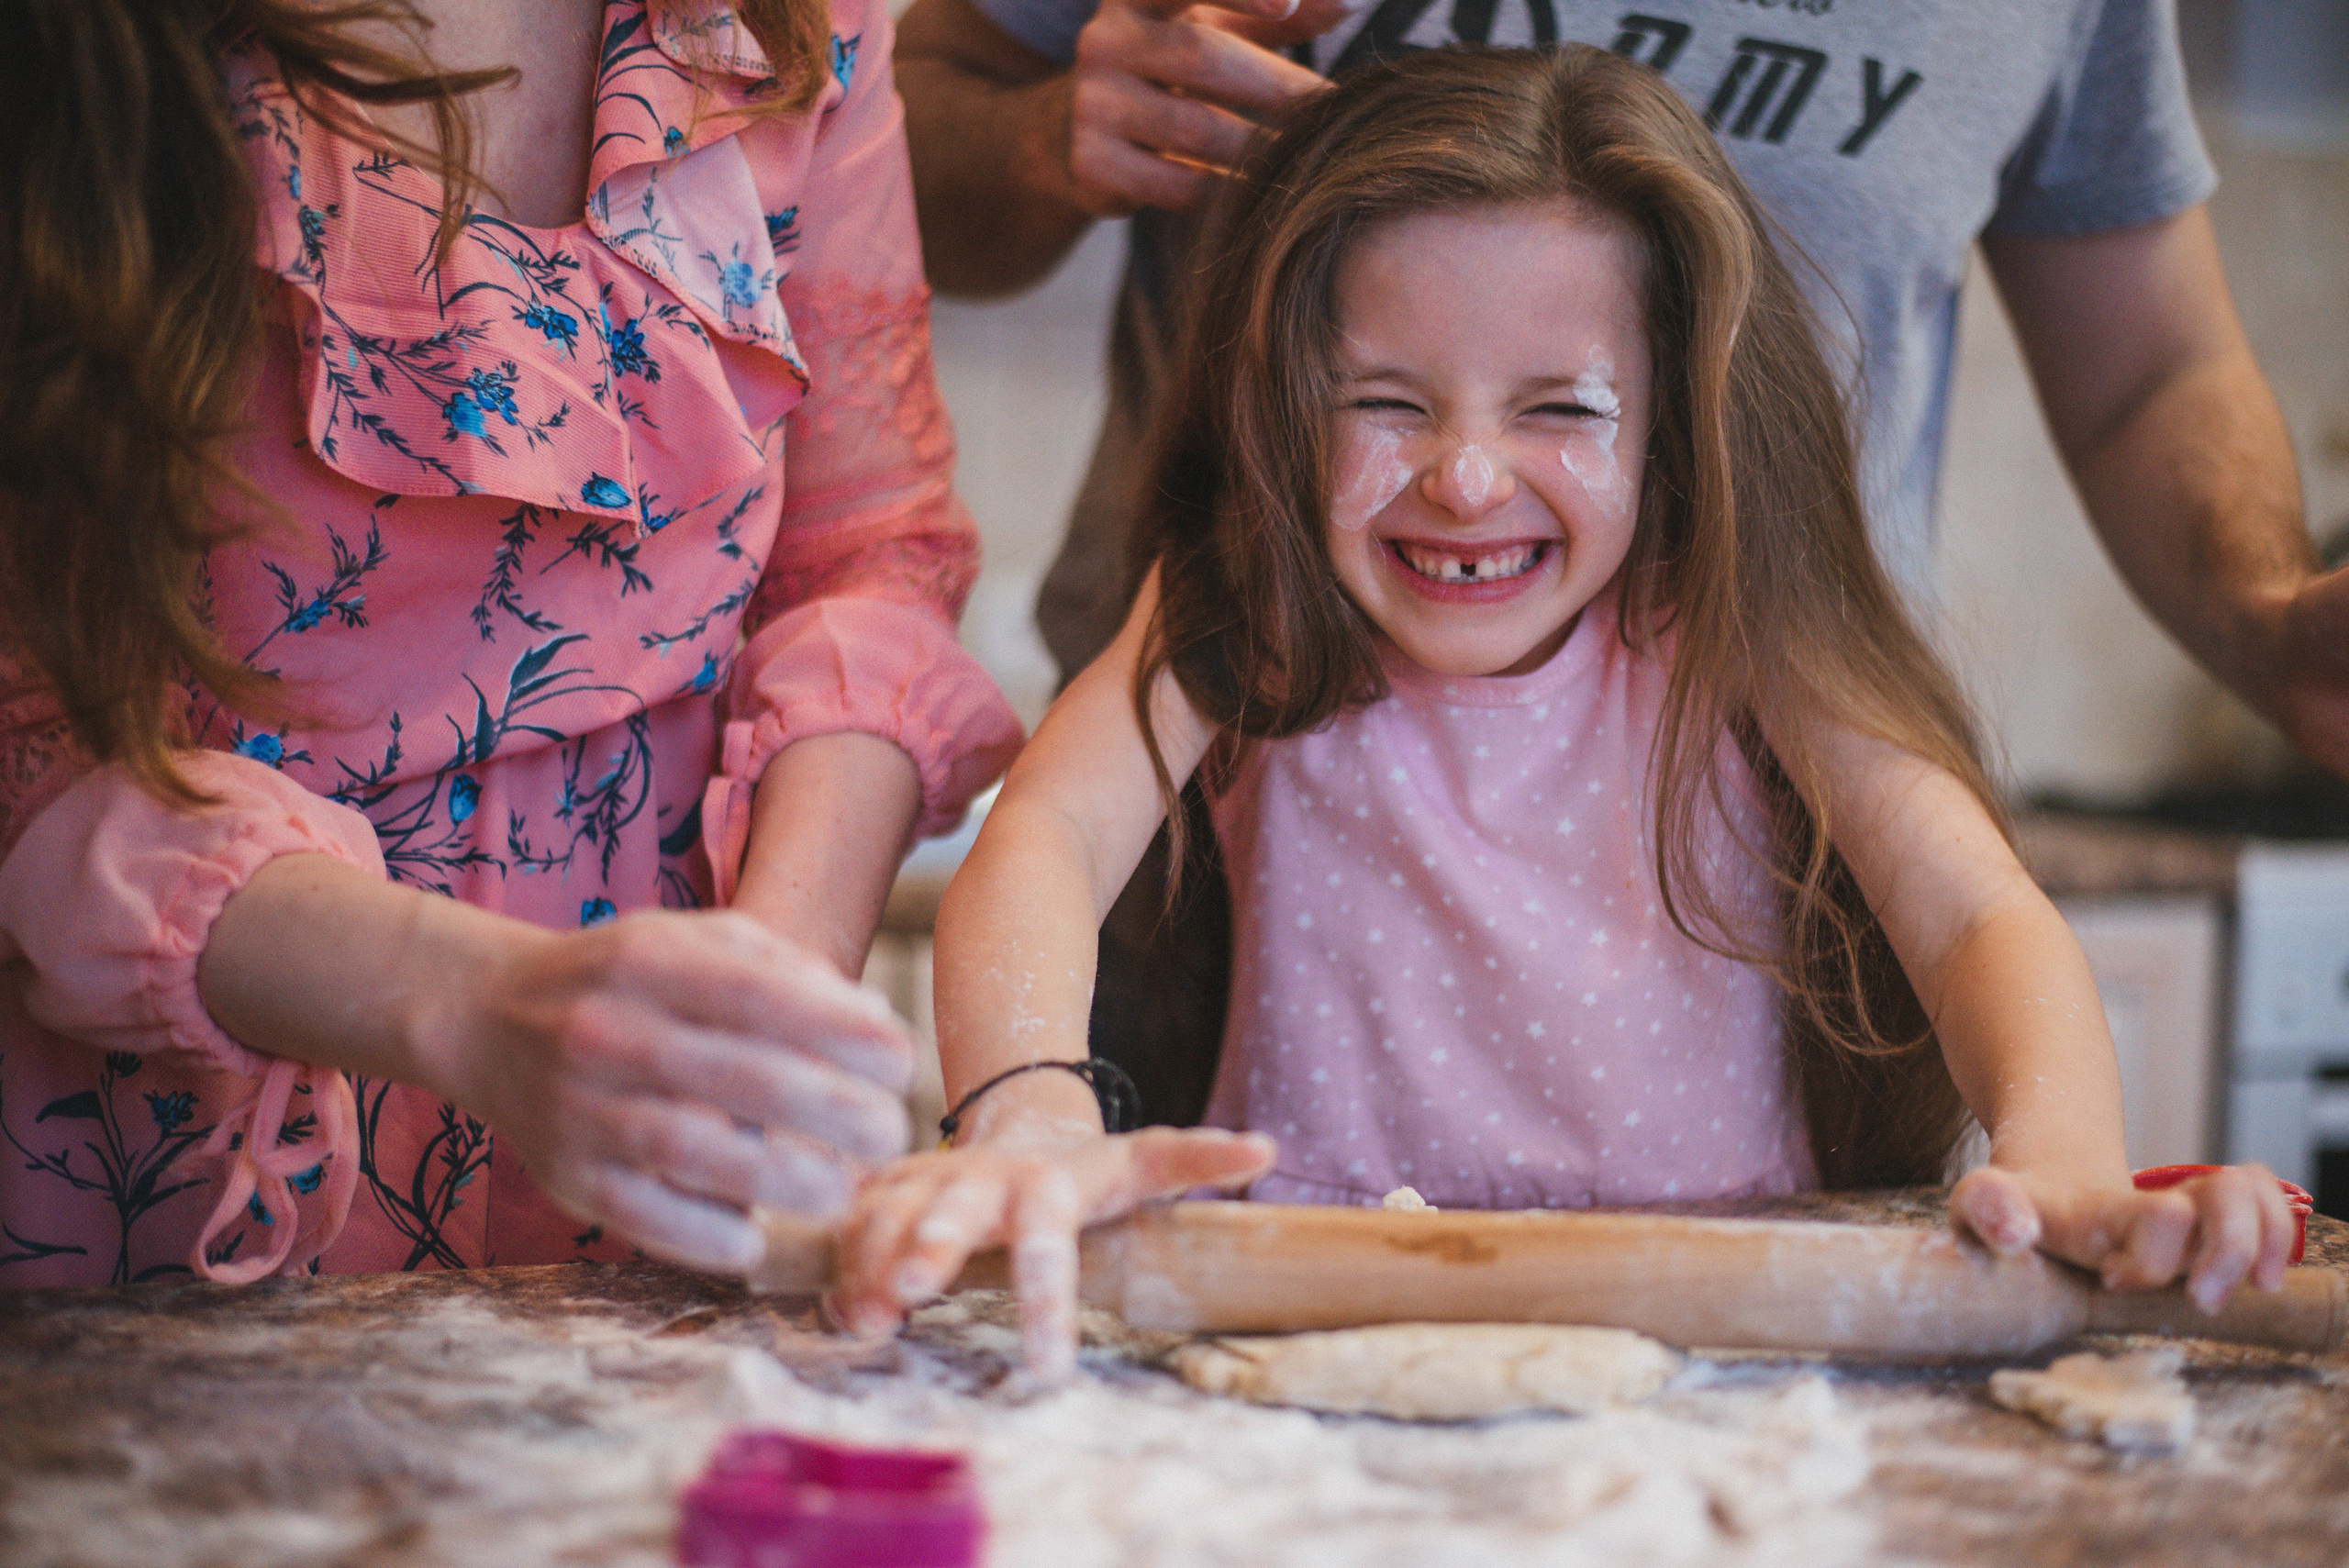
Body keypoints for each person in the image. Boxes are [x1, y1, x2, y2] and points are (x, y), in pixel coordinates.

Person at [831, 47, 2299, 1377]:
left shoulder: (1737, 625)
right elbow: (1046, 837)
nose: (1466, 476)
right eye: (1386, 401)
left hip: (1725, 1321)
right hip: (1301, 1316)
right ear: (1286, 401)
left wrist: (2061, 1153)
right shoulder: (1255, 603)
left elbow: (1975, 908)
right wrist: (1027, 1106)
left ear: (1675, 422)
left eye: (1563, 406)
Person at [0, 0, 1023, 1287]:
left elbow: (866, 552)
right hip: (183, 1153)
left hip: (639, 1163)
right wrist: (470, 1001)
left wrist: (752, 1001)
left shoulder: (801, 25)